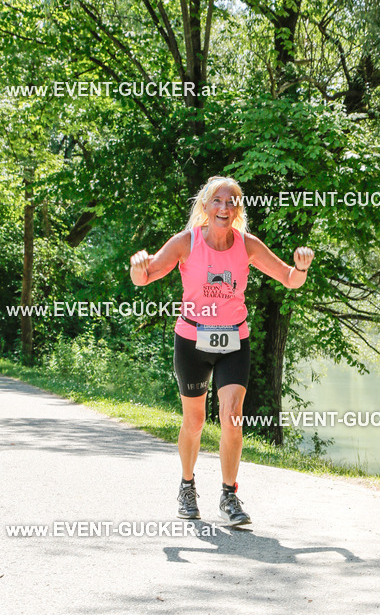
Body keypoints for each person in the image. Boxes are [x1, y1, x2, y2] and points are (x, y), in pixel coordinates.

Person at [129, 176, 314, 527]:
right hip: (192, 340)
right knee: (195, 421)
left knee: (232, 417)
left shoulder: (247, 245)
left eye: (231, 202)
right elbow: (145, 277)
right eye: (217, 200)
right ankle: (187, 486)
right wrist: (138, 267)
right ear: (205, 205)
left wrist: (302, 267)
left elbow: (290, 279)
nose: (224, 207)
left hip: (234, 341)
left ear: (238, 210)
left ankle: (229, 494)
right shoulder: (186, 242)